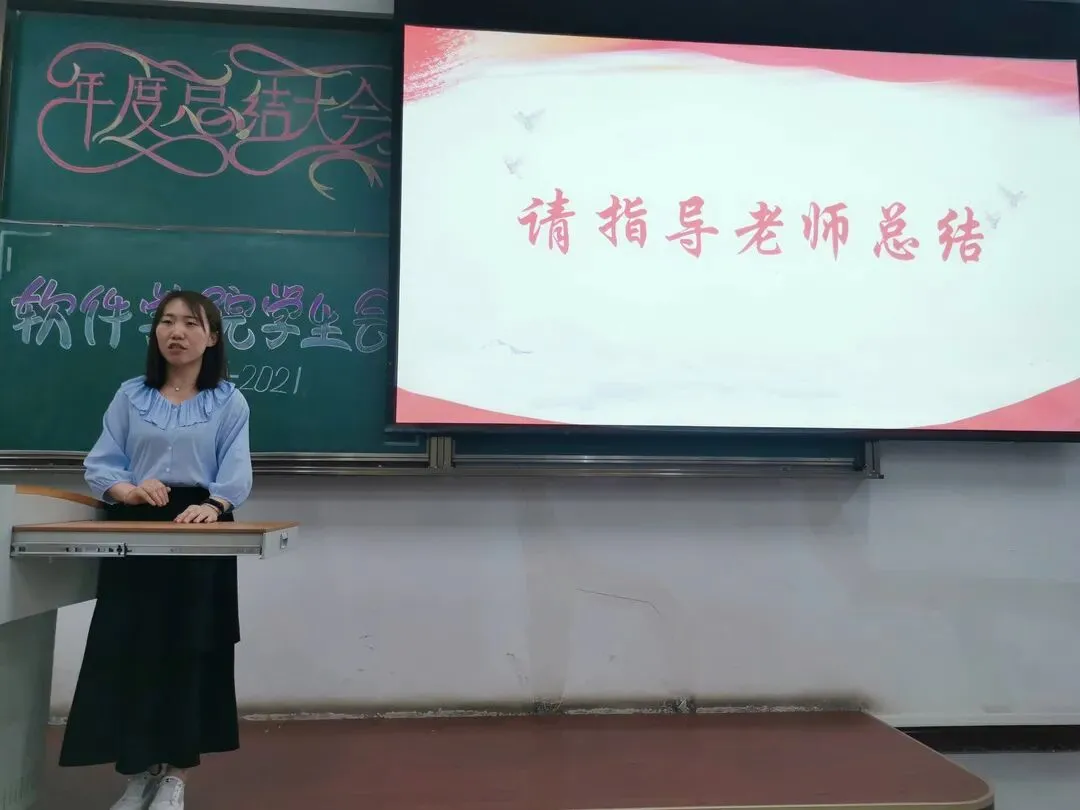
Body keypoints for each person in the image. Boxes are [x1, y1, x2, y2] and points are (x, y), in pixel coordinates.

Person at [60, 290, 253, 810]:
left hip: (200, 529)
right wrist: (128, 490)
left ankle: (176, 777)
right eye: (166, 322)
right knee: (133, 649)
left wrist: (213, 505)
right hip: (137, 527)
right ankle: (139, 772)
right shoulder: (130, 396)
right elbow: (103, 464)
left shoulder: (228, 401)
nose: (176, 332)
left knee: (190, 649)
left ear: (212, 337)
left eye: (190, 323)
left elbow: (235, 473)